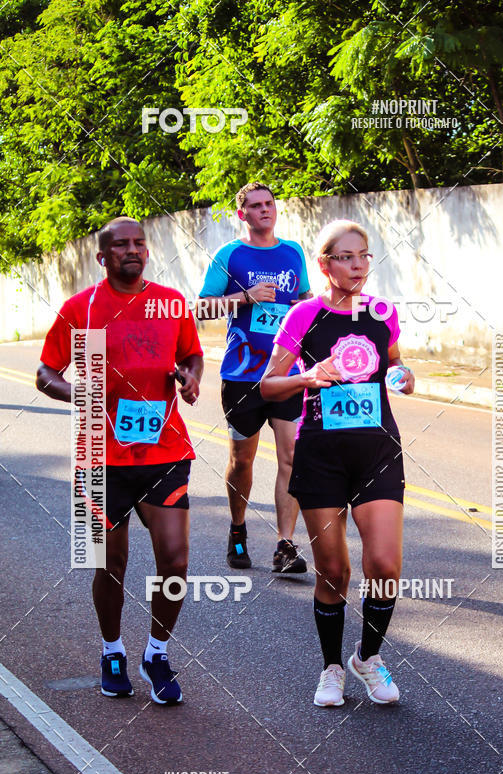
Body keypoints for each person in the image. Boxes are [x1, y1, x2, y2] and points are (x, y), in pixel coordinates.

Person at [36, 217, 203, 705]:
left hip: (165, 450)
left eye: (139, 243)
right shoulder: (80, 308)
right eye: (121, 245)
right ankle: (111, 650)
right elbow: (46, 373)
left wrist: (190, 379)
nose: (133, 250)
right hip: (97, 453)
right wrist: (80, 393)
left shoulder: (170, 303)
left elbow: (192, 356)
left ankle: (156, 652)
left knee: (175, 559)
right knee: (110, 563)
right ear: (102, 256)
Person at [261, 219, 415, 707]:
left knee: (386, 564)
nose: (357, 266)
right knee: (333, 571)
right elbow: (269, 384)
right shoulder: (304, 315)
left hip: (377, 450)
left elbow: (394, 363)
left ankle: (367, 659)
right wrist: (307, 378)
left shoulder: (383, 312)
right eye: (346, 257)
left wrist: (404, 375)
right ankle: (331, 668)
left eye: (364, 256)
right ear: (325, 264)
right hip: (322, 454)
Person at [197, 181, 311, 573]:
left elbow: (304, 303)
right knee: (242, 460)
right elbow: (202, 307)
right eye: (256, 206)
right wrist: (244, 297)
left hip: (286, 372)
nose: (266, 210)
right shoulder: (229, 255)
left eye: (270, 204)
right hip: (242, 374)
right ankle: (238, 529)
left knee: (291, 457)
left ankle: (285, 545)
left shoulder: (293, 252)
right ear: (242, 213)